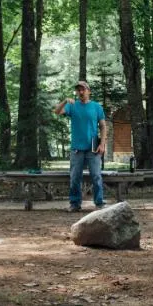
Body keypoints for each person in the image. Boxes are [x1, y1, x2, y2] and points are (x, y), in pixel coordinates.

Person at [54, 80, 107, 212]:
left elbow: (103, 126)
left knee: (96, 176)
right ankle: (75, 204)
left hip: (93, 148)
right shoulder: (72, 106)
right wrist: (65, 101)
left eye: (83, 89)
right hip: (77, 148)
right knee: (75, 177)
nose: (81, 92)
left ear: (88, 91)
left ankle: (99, 203)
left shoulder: (96, 107)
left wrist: (102, 144)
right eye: (78, 90)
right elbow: (56, 111)